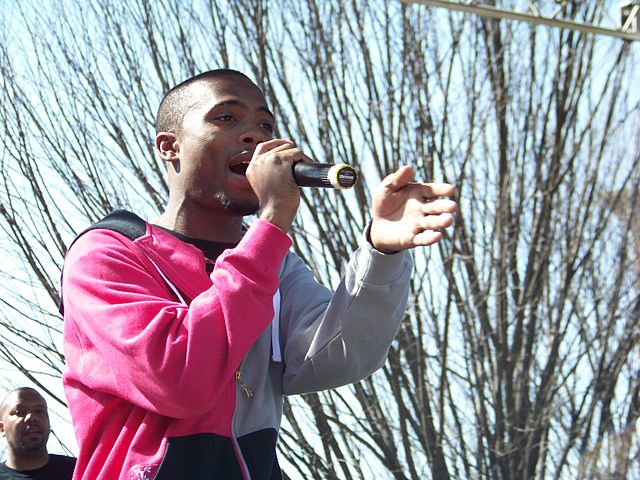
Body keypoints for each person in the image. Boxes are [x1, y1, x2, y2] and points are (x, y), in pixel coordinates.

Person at [60, 68, 458, 479]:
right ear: (169, 147)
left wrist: (381, 251)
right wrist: (272, 221)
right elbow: (178, 379)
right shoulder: (107, 253)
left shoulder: (273, 264)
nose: (254, 135)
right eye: (226, 118)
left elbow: (336, 356)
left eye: (264, 124)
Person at [0, 387, 75, 479]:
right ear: (2, 428)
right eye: (19, 412)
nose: (32, 417)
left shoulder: (78, 471)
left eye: (40, 411)